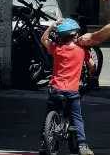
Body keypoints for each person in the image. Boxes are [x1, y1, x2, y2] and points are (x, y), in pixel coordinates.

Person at [39, 18, 96, 155]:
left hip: (55, 89)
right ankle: (82, 145)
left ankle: (43, 144)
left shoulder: (57, 49)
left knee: (49, 112)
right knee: (76, 117)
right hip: (71, 91)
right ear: (75, 35)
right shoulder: (81, 52)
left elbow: (44, 39)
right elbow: (92, 65)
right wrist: (91, 75)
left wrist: (51, 26)